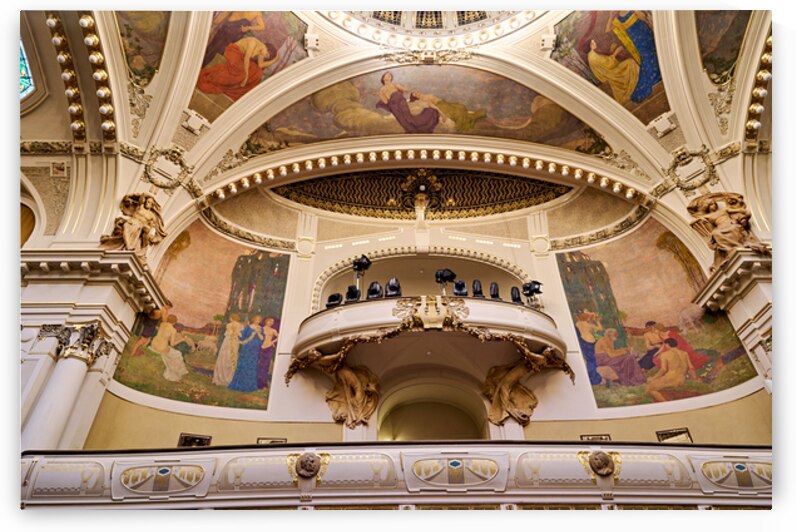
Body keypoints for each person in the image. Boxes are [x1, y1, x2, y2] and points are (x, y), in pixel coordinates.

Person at [197, 35, 278, 101]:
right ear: (266, 48)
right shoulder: (253, 43)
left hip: (241, 57)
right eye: (266, 54)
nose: (264, 56)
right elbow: (246, 59)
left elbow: (260, 65)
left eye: (266, 56)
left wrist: (274, 60)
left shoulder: (261, 50)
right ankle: (214, 79)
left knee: (255, 72)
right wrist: (246, 76)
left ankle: (229, 87)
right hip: (234, 51)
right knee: (241, 73)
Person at [608, 10, 662, 103]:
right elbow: (608, 29)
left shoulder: (630, 11)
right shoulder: (618, 19)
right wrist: (611, 16)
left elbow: (645, 19)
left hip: (644, 36)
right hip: (639, 40)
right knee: (648, 57)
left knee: (652, 54)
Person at [585, 39, 640, 104]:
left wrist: (612, 51)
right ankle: (637, 85)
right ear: (590, 45)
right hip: (612, 74)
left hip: (609, 73)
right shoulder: (593, 57)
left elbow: (605, 62)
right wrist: (616, 52)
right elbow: (610, 64)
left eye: (594, 41)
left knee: (629, 62)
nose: (595, 43)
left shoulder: (591, 55)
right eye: (593, 42)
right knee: (630, 63)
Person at [645, 338, 697, 402]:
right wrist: (695, 378)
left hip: (671, 379)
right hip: (682, 379)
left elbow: (663, 370)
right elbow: (691, 368)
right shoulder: (684, 353)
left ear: (667, 344)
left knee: (648, 388)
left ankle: (666, 403)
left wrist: (653, 378)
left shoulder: (665, 354)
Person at [228, 315, 264, 393]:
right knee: (243, 364)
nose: (258, 321)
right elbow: (242, 336)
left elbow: (262, 339)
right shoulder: (248, 327)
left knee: (252, 365)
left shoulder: (260, 329)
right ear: (253, 319)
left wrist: (258, 333)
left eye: (259, 320)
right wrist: (236, 332)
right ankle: (239, 384)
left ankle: (249, 385)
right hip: (246, 348)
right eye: (256, 319)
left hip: (255, 349)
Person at [148, 314, 189, 382]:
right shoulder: (173, 330)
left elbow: (164, 336)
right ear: (174, 322)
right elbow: (172, 344)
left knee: (171, 351)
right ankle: (174, 376)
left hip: (154, 344)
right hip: (161, 348)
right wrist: (181, 340)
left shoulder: (162, 324)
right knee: (178, 354)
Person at [212, 314, 244, 386]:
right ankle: (229, 377)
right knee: (232, 357)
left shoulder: (229, 325)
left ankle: (222, 377)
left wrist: (233, 332)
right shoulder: (240, 325)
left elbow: (228, 334)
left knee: (225, 356)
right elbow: (240, 335)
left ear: (231, 318)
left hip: (228, 342)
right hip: (234, 342)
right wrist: (236, 333)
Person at [574, 311, 603, 385]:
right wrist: (597, 320)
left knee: (591, 360)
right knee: (592, 360)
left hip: (587, 342)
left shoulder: (579, 324)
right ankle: (593, 378)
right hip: (589, 342)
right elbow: (600, 328)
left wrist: (591, 316)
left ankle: (594, 378)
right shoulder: (586, 324)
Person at [256, 317, 280, 389]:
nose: (271, 323)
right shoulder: (261, 329)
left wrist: (272, 342)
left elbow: (279, 337)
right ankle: (257, 382)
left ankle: (263, 383)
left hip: (268, 348)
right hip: (261, 347)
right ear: (266, 321)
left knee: (266, 365)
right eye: (270, 321)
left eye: (272, 322)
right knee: (259, 364)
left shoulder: (273, 330)